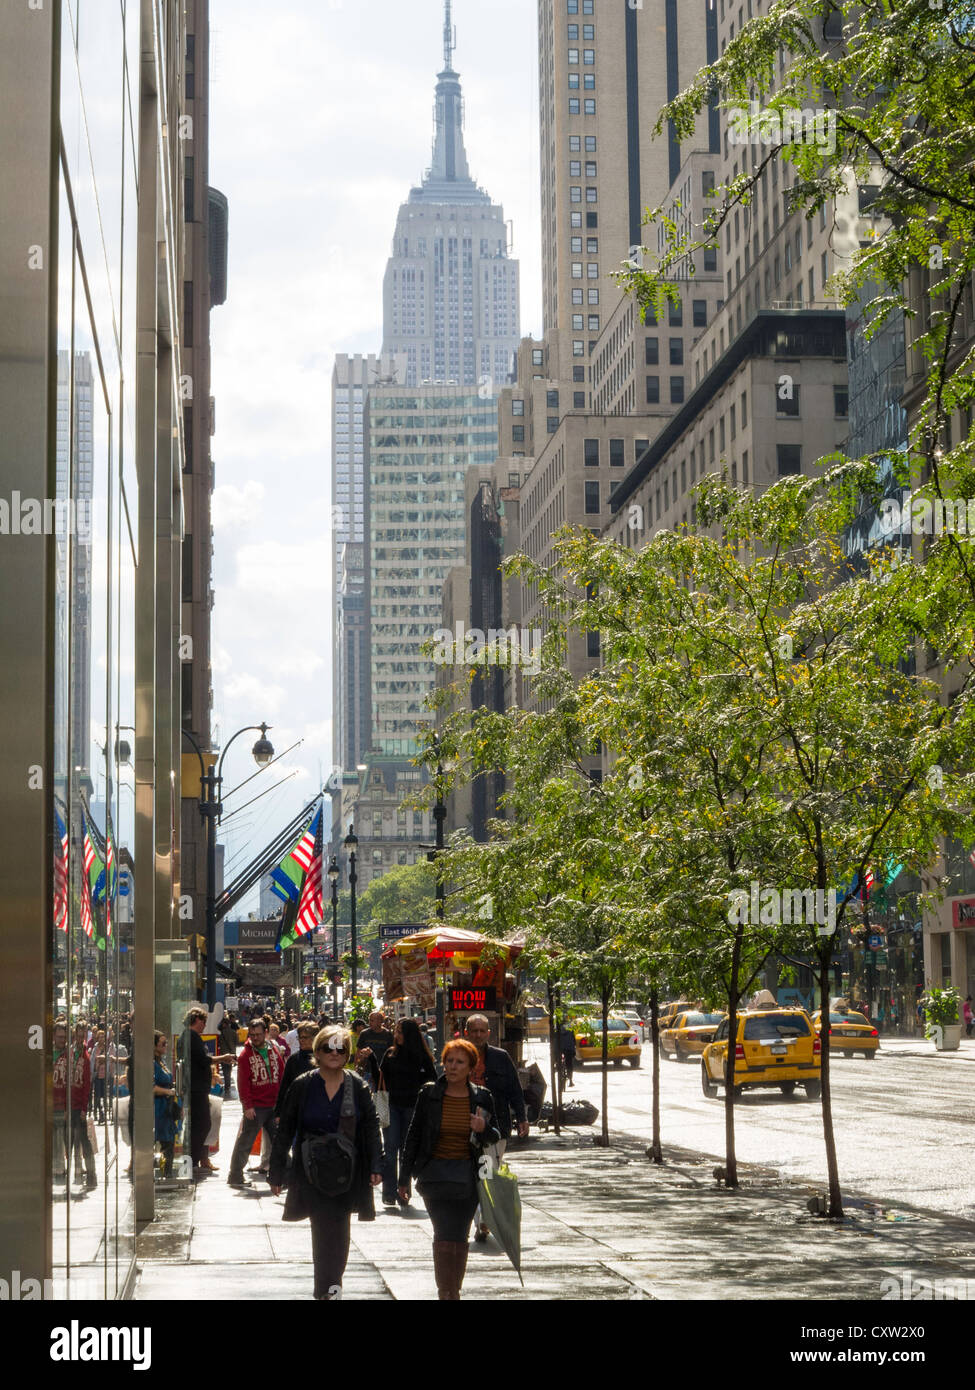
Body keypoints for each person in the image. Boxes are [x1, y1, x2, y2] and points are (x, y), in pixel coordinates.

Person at [269, 1026, 383, 1300]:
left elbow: (370, 1126)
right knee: (322, 1233)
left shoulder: (357, 1085)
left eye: (340, 1048)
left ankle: (331, 1289)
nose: (334, 1053)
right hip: (312, 1172)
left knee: (340, 1234)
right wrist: (277, 1172)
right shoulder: (303, 1085)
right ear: (317, 1052)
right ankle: (326, 1291)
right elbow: (285, 1129)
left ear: (348, 1054)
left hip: (348, 1172)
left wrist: (377, 1166)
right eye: (328, 1048)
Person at [400, 1038, 500, 1300]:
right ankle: (446, 1292)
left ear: (470, 1068)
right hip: (435, 1178)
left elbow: (495, 1136)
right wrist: (404, 1178)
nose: (452, 1067)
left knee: (460, 1234)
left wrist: (483, 1128)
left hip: (468, 1179)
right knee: (443, 1233)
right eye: (449, 1061)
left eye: (459, 1062)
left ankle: (453, 1290)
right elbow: (414, 1135)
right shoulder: (429, 1094)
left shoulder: (482, 1097)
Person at [378, 1018, 438, 1208]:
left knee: (407, 1150)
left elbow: (432, 1082)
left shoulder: (422, 1057)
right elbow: (381, 1079)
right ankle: (388, 1192)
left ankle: (404, 1190)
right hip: (392, 1106)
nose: (396, 1035)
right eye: (396, 1031)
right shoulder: (390, 1054)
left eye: (400, 1032)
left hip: (413, 1107)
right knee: (390, 1149)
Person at [228, 1017, 287, 1188]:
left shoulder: (273, 1049)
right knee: (245, 1141)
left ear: (266, 1033)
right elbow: (243, 1082)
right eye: (252, 1034)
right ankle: (235, 1174)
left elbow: (282, 1074)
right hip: (257, 1106)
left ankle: (286, 1172)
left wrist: (282, 1102)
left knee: (279, 1140)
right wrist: (247, 1105)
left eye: (259, 1034)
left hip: (274, 1104)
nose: (255, 1038)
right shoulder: (245, 1055)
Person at [183, 1006, 234, 1179]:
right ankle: (194, 1159)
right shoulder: (191, 1037)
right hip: (196, 1089)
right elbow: (203, 1059)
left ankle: (195, 1160)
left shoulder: (190, 1037)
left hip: (197, 1087)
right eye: (203, 1021)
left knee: (200, 1124)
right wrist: (223, 1057)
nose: (205, 1025)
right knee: (202, 1124)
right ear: (196, 1020)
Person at [68, 1020, 97, 1190]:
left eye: (82, 1035)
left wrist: (85, 1108)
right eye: (78, 1035)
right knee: (72, 1141)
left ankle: (91, 1174)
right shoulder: (70, 1052)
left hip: (79, 1105)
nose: (80, 1038)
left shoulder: (85, 1055)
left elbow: (87, 1085)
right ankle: (76, 1173)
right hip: (70, 1103)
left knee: (84, 1142)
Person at [275, 1020, 319, 1115]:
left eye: (305, 1037)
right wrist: (278, 1112)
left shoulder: (323, 1058)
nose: (301, 1040)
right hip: (297, 1110)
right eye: (299, 1037)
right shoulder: (293, 1060)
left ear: (315, 1038)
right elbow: (285, 1086)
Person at [152, 1030, 179, 1179]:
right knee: (165, 1143)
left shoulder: (161, 1061)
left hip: (165, 1109)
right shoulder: (152, 1063)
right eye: (163, 1043)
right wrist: (169, 1092)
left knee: (168, 1144)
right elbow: (151, 1087)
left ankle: (167, 1173)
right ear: (154, 1045)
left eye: (166, 1042)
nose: (166, 1045)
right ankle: (164, 1174)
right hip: (158, 1109)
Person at [351, 1018, 380, 1090]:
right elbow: (355, 1052)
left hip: (365, 1067)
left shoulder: (364, 1034)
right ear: (357, 1027)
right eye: (362, 1026)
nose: (364, 1027)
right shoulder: (351, 1036)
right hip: (358, 1066)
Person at [218, 1012, 238, 1097]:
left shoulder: (220, 1033)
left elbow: (218, 1044)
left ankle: (227, 1086)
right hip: (232, 1053)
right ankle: (228, 1086)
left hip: (223, 1054)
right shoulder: (234, 1032)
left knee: (225, 1070)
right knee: (228, 1071)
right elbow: (236, 1042)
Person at [558, 1019, 577, 1089]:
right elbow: (574, 1040)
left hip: (560, 1049)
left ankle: (559, 1069)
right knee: (570, 1065)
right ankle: (571, 1081)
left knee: (559, 1062)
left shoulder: (558, 1028)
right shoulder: (570, 1028)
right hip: (569, 1049)